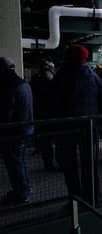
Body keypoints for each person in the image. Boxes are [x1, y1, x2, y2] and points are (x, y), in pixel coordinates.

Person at [53, 45, 102, 203]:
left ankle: (75, 199)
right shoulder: (94, 76)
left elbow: (53, 102)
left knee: (69, 165)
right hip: (89, 126)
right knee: (90, 162)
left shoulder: (61, 75)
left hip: (66, 127)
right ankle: (94, 197)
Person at [1, 57, 34, 205]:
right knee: (20, 161)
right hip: (26, 128)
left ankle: (21, 193)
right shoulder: (24, 84)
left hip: (13, 132)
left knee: (15, 163)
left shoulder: (9, 87)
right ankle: (25, 188)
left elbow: (7, 112)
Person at [30, 60, 59, 171]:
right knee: (55, 142)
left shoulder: (35, 80)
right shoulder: (53, 81)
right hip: (52, 116)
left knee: (45, 143)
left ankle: (48, 164)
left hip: (41, 116)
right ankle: (56, 163)